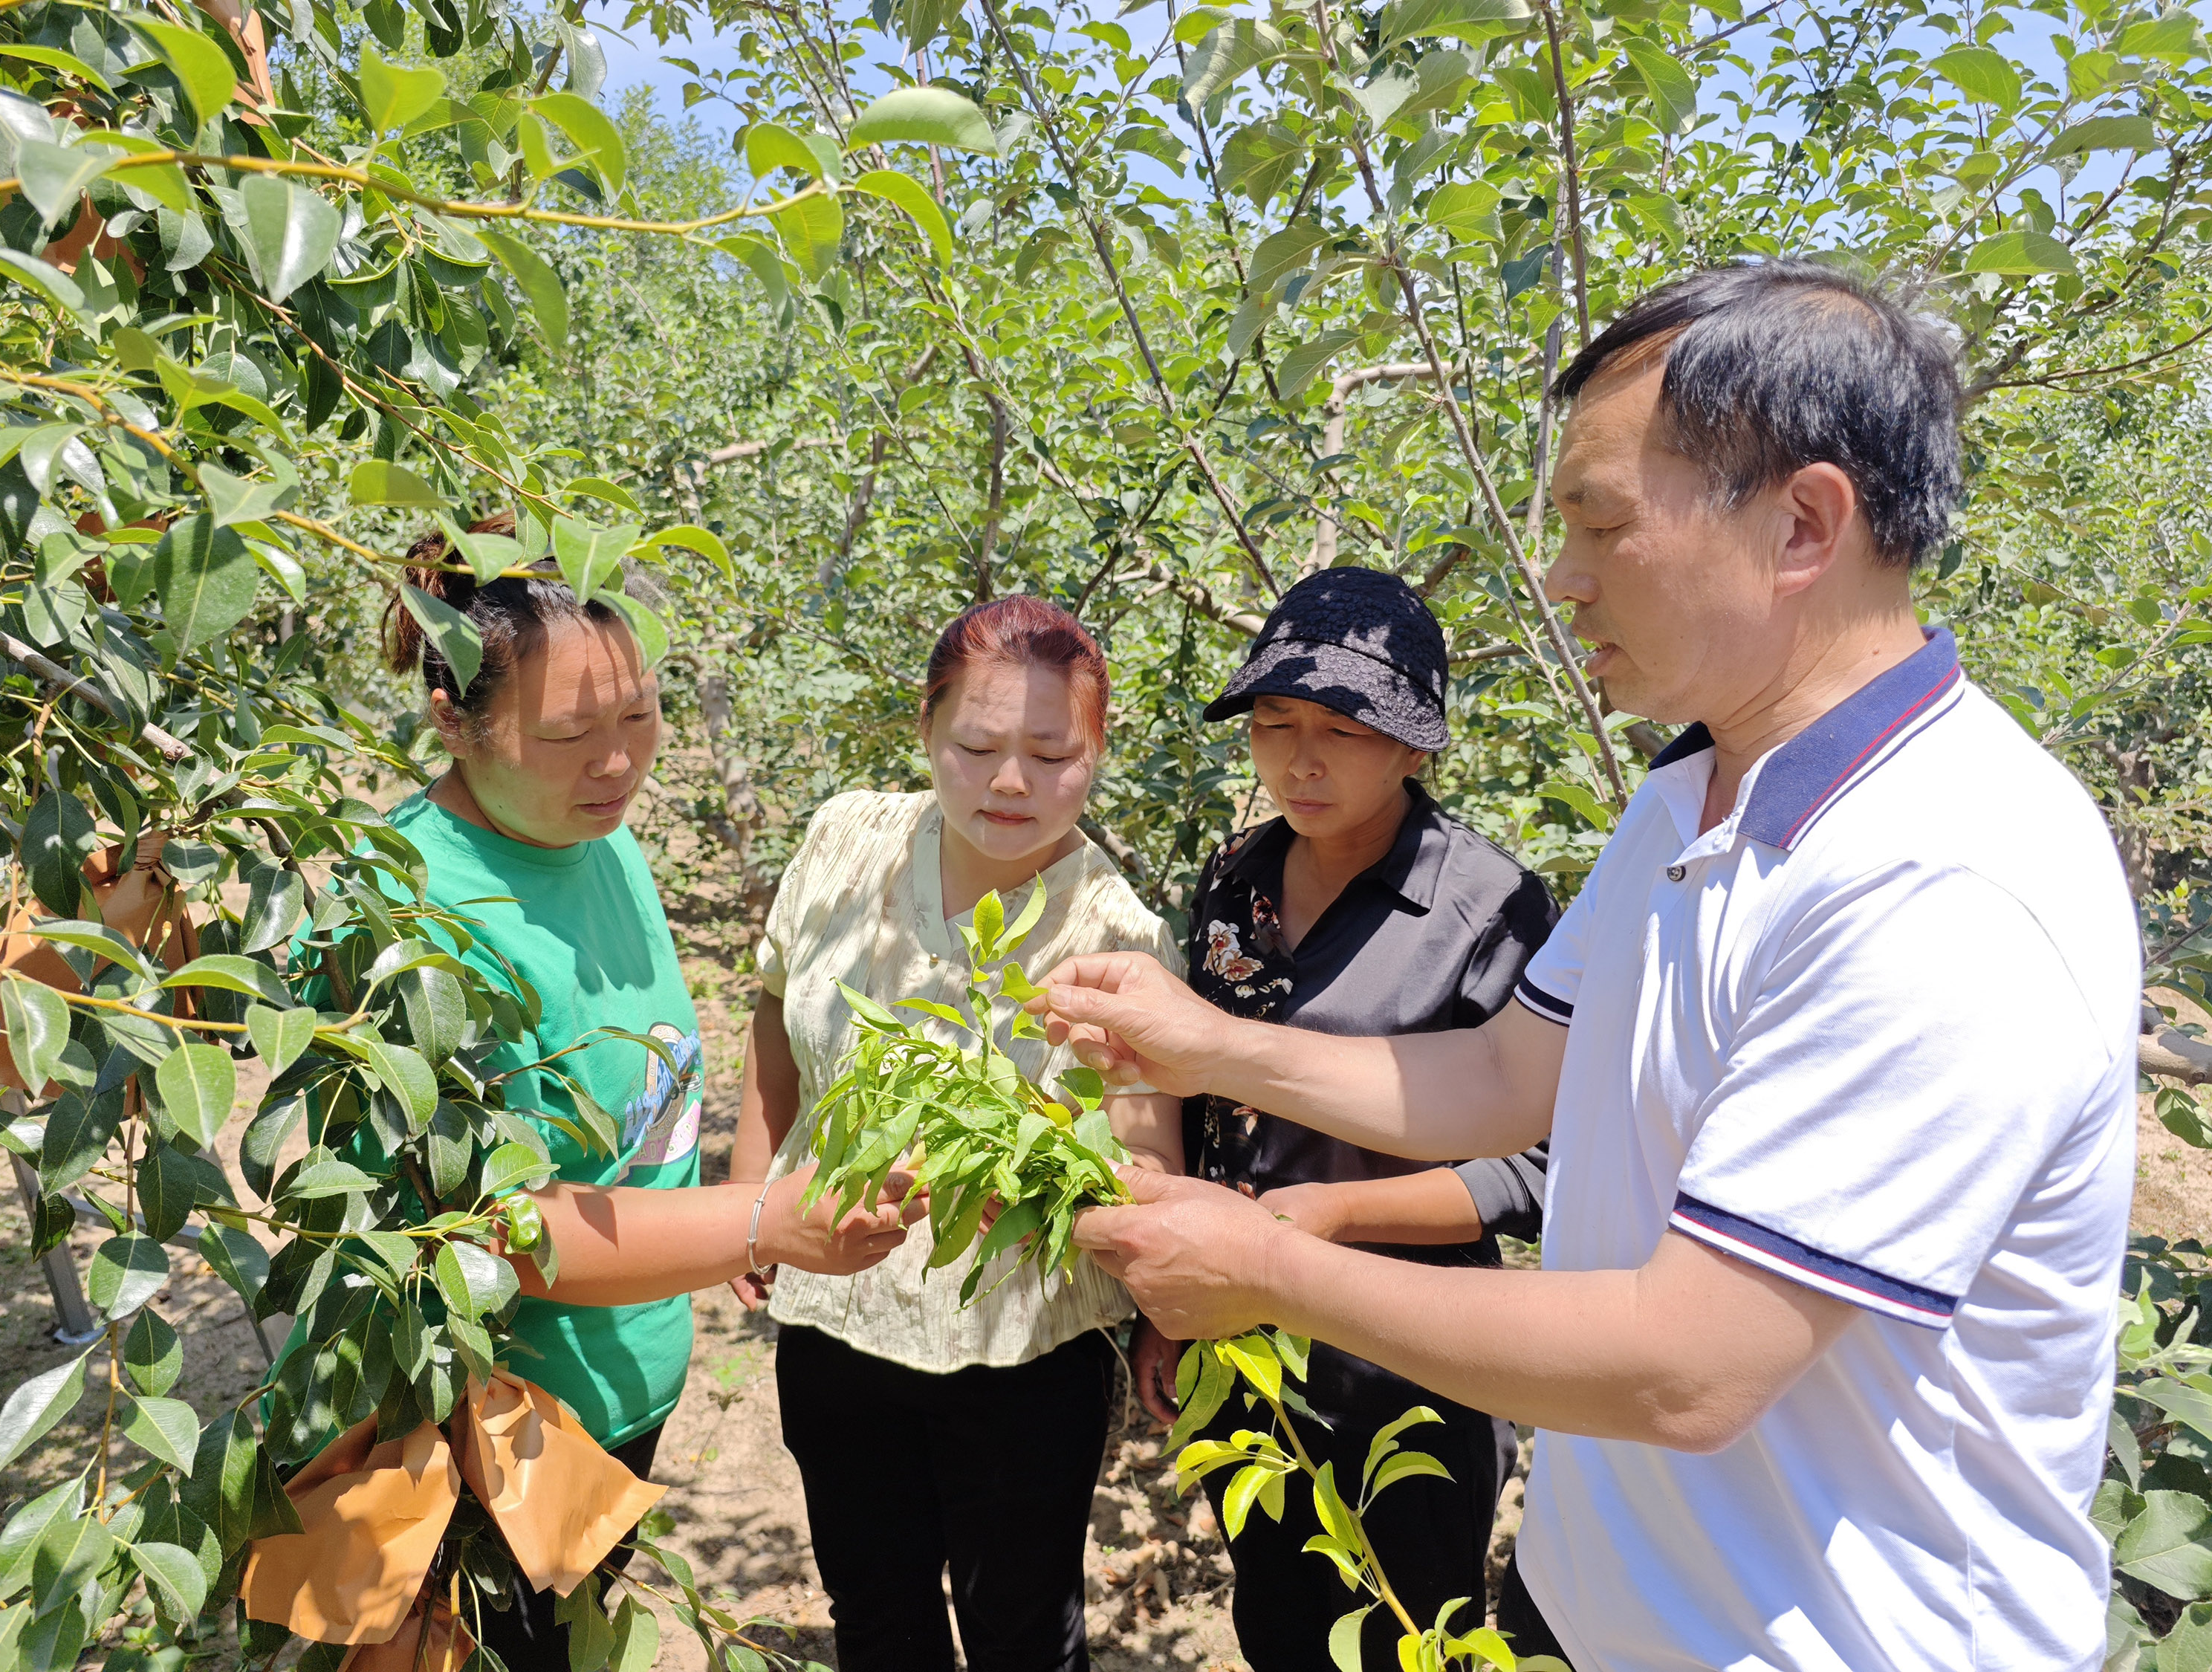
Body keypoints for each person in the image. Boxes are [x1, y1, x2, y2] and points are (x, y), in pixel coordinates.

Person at [1031, 264, 2141, 1672]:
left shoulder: (1944, 874)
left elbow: (1691, 1359)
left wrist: (1261, 1261)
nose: (1561, 579)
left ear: (1804, 523)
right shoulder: (1688, 801)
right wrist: (1208, 1043)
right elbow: (1508, 1072)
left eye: (1602, 524)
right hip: (1607, 1599)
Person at [377, 522, 919, 1672]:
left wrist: (733, 1202)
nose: (618, 763)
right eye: (571, 732)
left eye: (639, 717)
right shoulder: (418, 916)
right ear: (451, 718)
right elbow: (498, 1233)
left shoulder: (597, 839)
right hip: (489, 1426)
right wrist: (770, 1219)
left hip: (620, 1399)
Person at [727, 594, 1187, 1672]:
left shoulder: (1116, 935)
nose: (1010, 781)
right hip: (834, 1320)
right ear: (926, 733)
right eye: (976, 745)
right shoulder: (847, 840)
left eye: (1050, 752)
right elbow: (773, 1004)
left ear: (1099, 750)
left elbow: (1147, 1166)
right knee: (875, 1615)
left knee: (1022, 1632)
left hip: (1018, 1352)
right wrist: (753, 1189)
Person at [1131, 565, 1555, 1670]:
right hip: (1251, 1344)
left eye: (1342, 730)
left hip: (1413, 1361)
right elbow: (1200, 1095)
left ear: (1415, 745)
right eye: (1274, 723)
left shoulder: (1487, 909)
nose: (1299, 759)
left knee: (1413, 1627)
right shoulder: (1237, 878)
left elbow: (1535, 1165)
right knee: (1276, 1615)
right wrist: (1171, 1296)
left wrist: (1328, 1213)